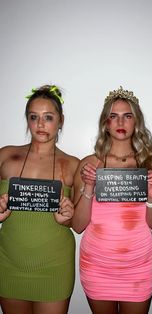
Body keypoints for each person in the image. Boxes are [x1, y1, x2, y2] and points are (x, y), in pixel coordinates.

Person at [72, 86, 152, 314]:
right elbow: (77, 226)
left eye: (127, 116)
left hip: (139, 265)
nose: (120, 122)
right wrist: (89, 188)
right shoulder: (88, 164)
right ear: (105, 123)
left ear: (136, 122)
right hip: (97, 265)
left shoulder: (151, 166)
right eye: (113, 116)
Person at [0, 85, 80, 314]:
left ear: (61, 120)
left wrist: (67, 218)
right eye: (34, 117)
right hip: (8, 261)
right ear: (27, 120)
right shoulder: (5, 155)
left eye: (48, 117)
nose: (40, 124)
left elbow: (78, 223)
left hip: (54, 265)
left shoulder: (74, 165)